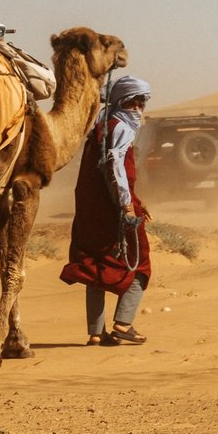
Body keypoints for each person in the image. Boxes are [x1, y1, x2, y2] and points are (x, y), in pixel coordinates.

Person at [60, 75, 153, 345]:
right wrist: (127, 204)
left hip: (91, 211)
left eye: (142, 103)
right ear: (124, 102)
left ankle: (96, 333)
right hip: (113, 210)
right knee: (139, 264)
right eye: (135, 103)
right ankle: (123, 324)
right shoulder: (120, 128)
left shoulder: (100, 126)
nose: (139, 109)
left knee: (94, 266)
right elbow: (116, 168)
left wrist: (136, 199)